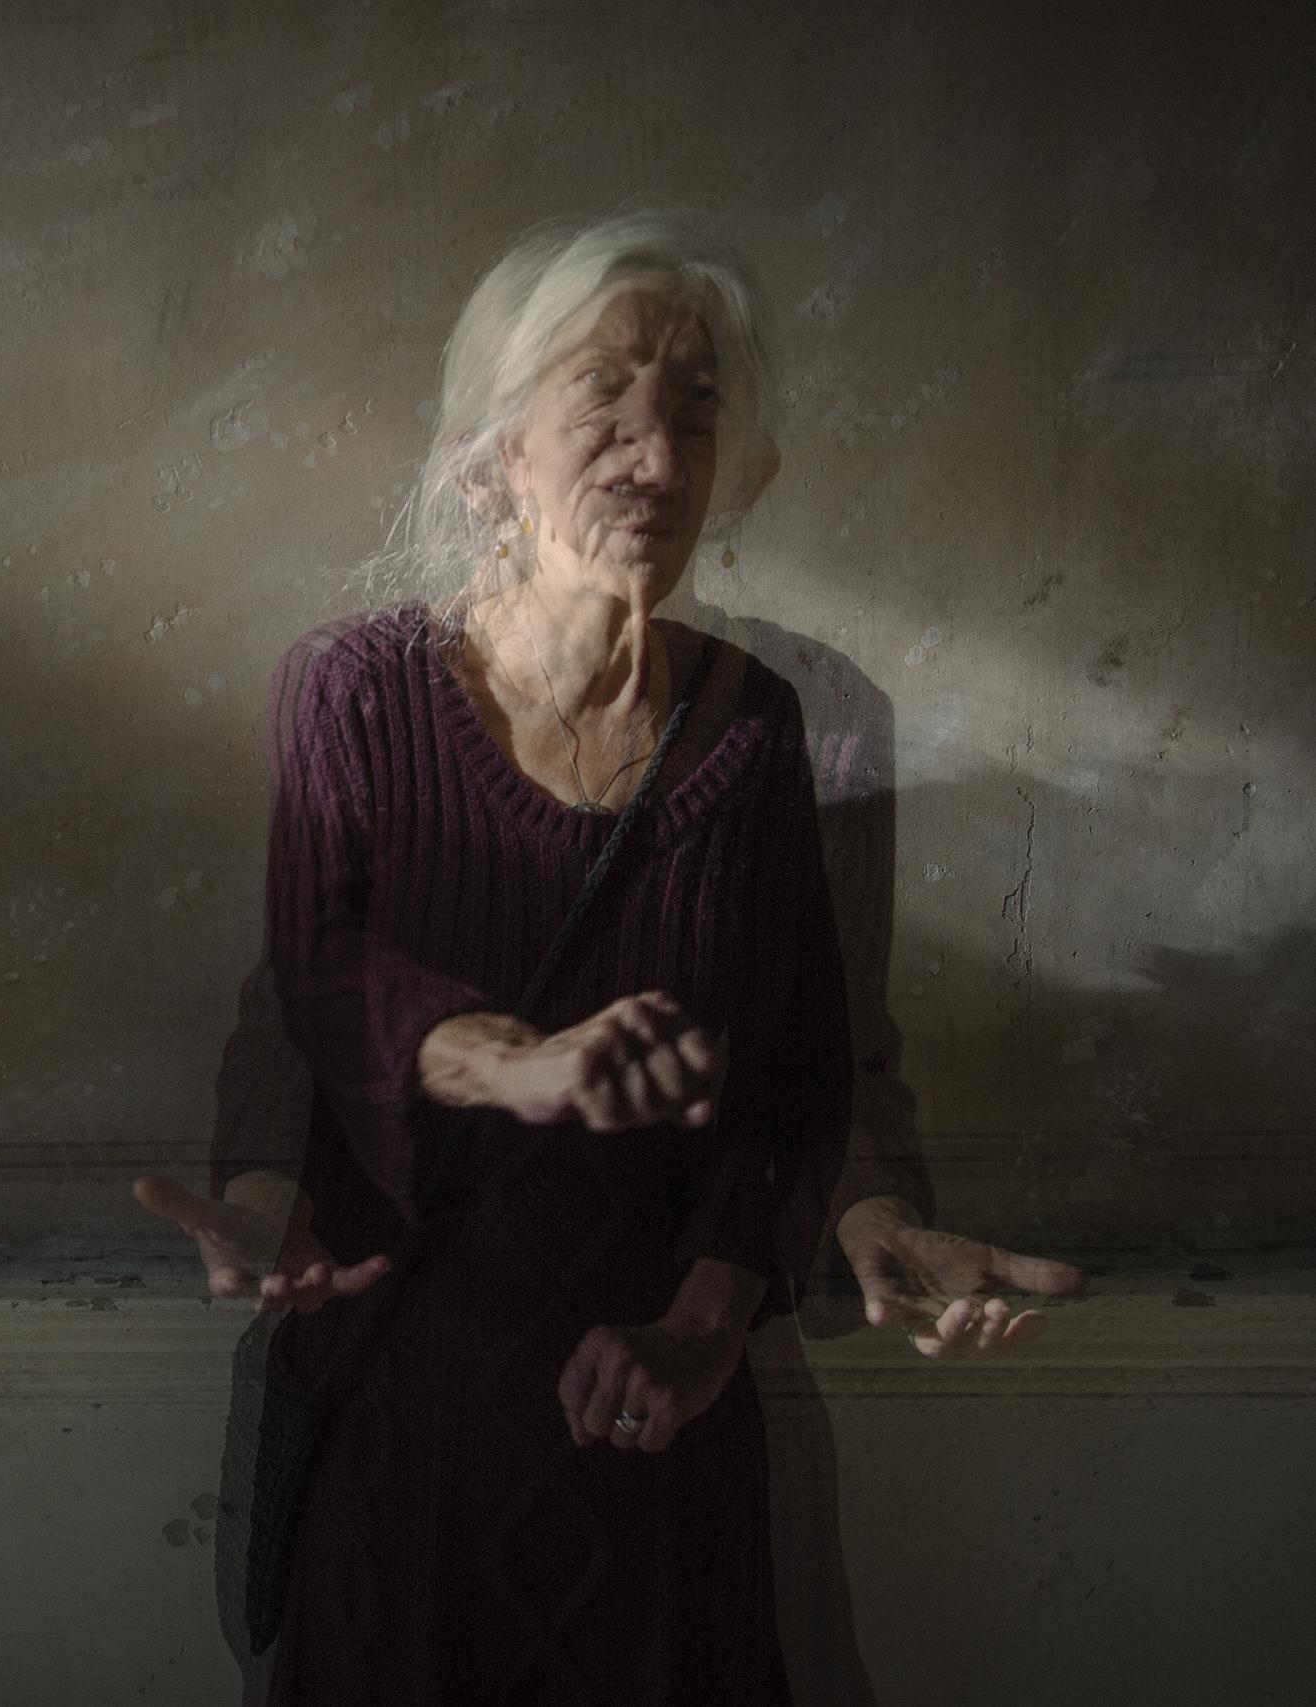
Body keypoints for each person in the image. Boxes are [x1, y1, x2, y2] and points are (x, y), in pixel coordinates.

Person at [135, 207, 1084, 1706]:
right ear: (496, 453)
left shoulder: (771, 729)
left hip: (653, 1440)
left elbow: (797, 1075)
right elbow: (318, 981)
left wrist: (707, 1325)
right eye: (606, 401)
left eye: (693, 413)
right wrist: (483, 1078)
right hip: (407, 1430)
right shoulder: (354, 694)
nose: (656, 457)